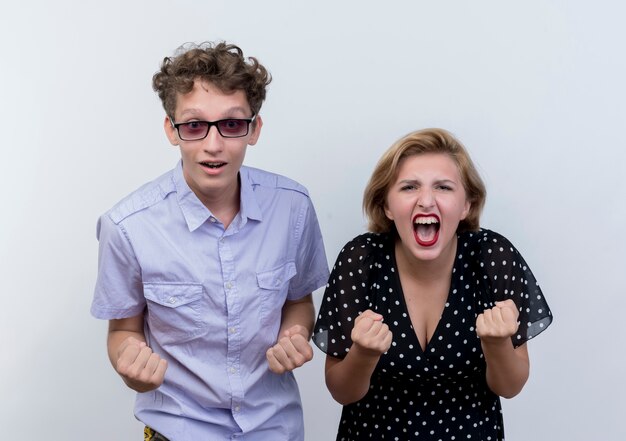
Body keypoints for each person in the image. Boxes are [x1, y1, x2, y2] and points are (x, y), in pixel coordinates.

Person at [91, 42, 329, 441]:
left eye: (232, 124)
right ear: (171, 129)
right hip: (179, 431)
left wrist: (295, 333)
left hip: (276, 428)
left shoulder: (294, 208)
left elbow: (298, 302)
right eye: (195, 125)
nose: (213, 145)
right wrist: (130, 367)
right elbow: (123, 331)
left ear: (254, 129)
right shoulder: (127, 226)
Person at [313, 128, 552, 440]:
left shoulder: (492, 257)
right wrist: (364, 354)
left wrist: (497, 345)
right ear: (387, 205)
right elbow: (341, 391)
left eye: (443, 187)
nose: (426, 200)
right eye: (409, 187)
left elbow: (510, 386)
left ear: (467, 204)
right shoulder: (361, 260)